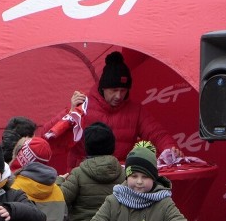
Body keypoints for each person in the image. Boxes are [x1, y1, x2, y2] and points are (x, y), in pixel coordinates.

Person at [44, 51, 182, 168]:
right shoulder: (82, 106)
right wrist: (70, 113)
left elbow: (157, 133)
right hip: (82, 176)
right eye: (114, 90)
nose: (119, 96)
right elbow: (47, 136)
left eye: (123, 90)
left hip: (117, 175)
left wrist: (171, 149)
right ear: (103, 87)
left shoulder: (135, 111)